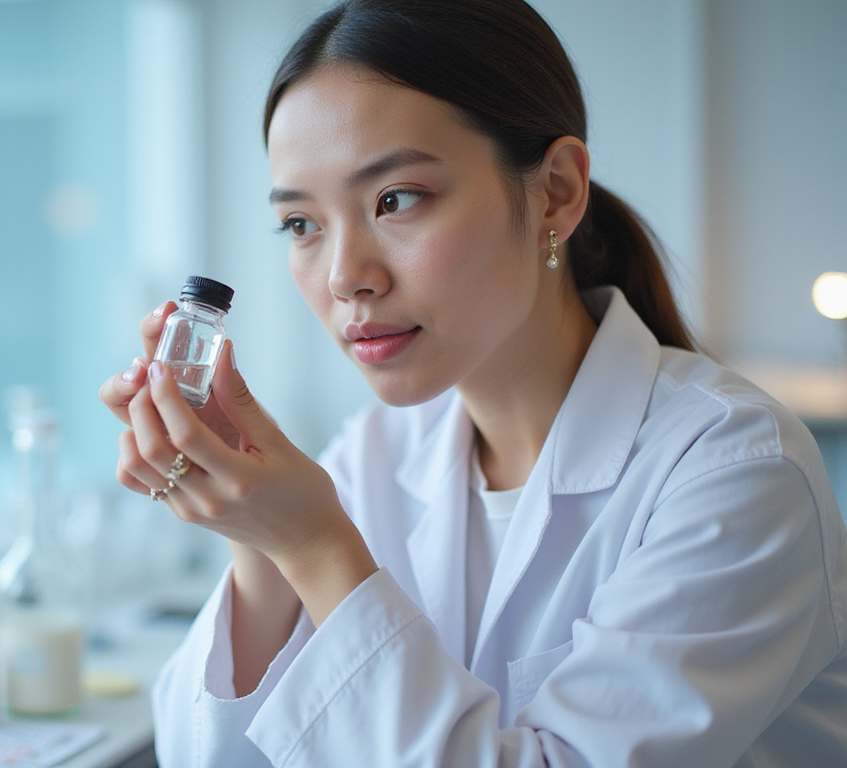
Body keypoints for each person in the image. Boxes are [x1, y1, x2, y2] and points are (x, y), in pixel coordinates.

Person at [98, 0, 847, 765]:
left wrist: (317, 547)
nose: (345, 277)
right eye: (302, 224)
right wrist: (257, 540)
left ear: (555, 191)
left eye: (397, 200)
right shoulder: (376, 454)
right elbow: (213, 758)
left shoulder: (737, 472)